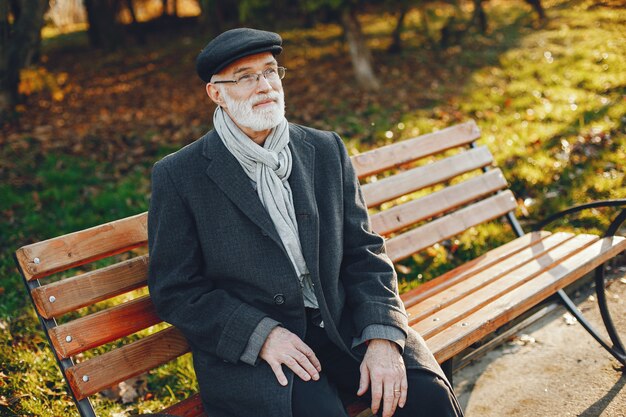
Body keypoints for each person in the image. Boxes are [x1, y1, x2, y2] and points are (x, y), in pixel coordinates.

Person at [147, 28, 464, 417]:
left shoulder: (324, 149)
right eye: (246, 77)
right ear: (216, 93)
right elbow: (176, 290)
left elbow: (363, 251)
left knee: (426, 397)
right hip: (260, 348)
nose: (264, 85)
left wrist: (382, 334)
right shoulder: (180, 175)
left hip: (343, 323)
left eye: (270, 71)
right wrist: (260, 335)